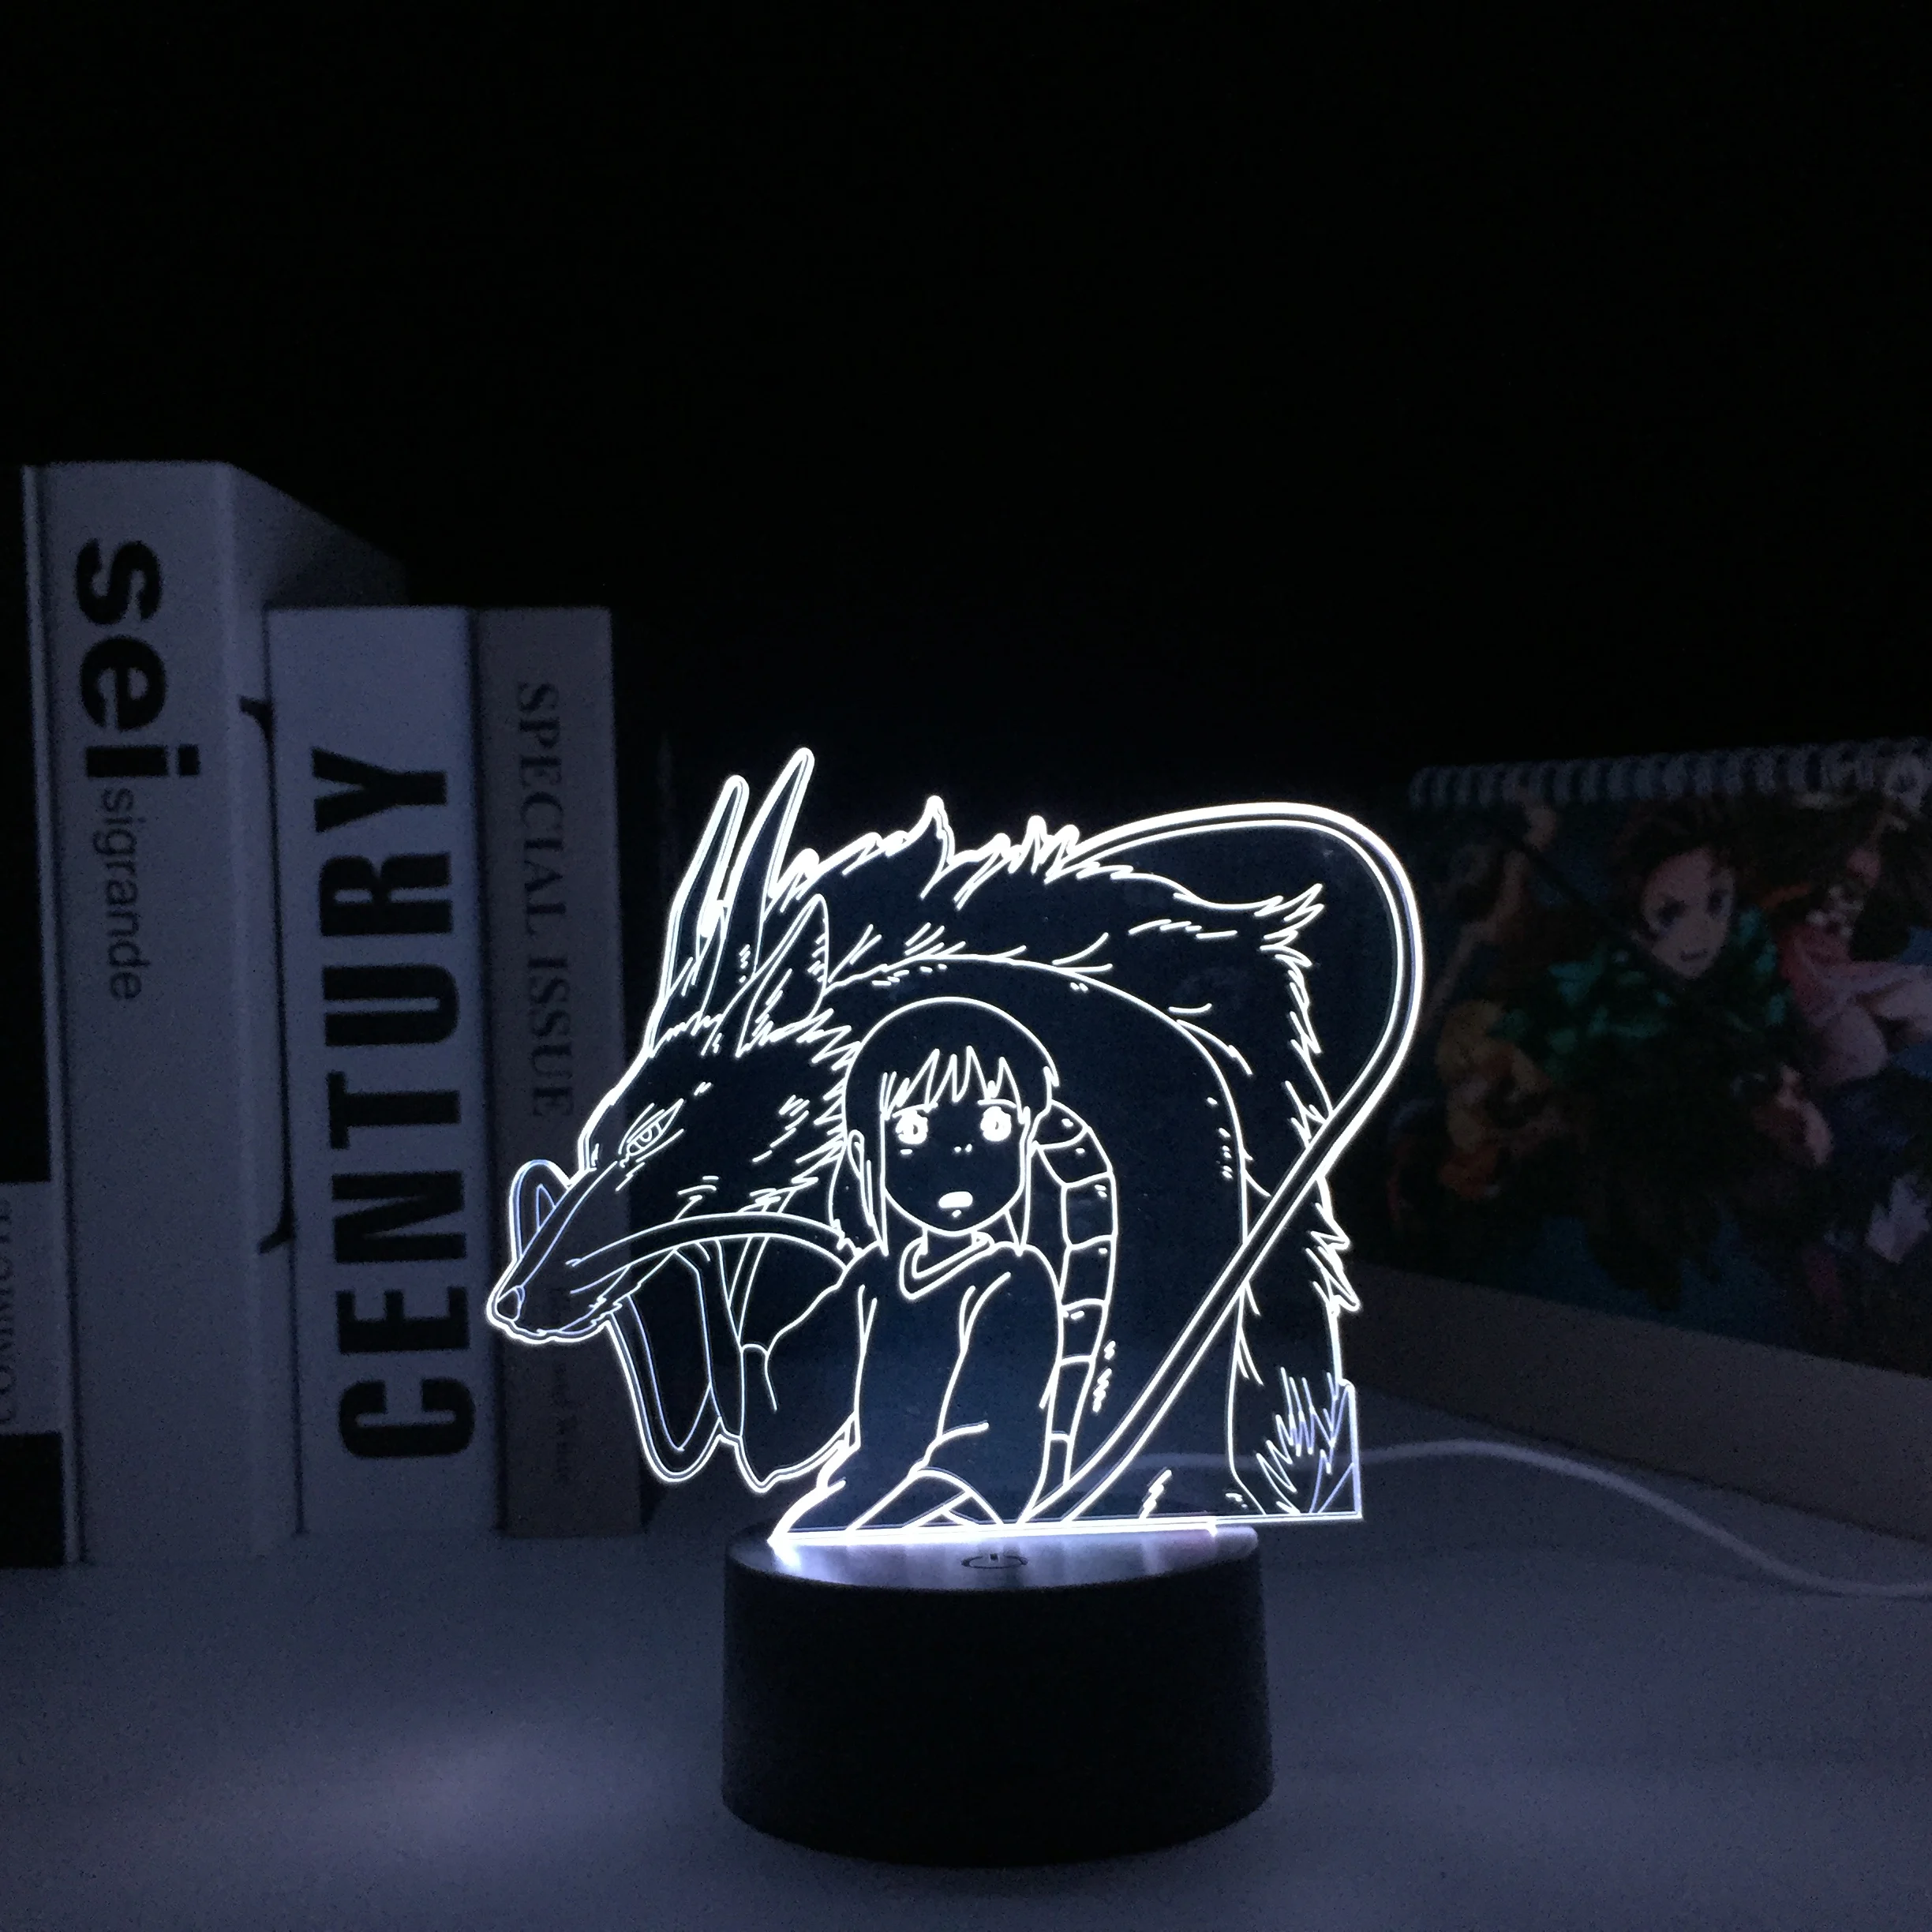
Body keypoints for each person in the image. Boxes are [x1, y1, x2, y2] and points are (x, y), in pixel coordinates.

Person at [732, 998, 1066, 1532]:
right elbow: (782, 1432)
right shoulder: (873, 1280)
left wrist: (861, 1533)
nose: (959, 1154)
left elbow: (985, 1454)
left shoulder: (1015, 1279)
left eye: (994, 1123)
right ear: (866, 1151)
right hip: (857, 1509)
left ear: (1026, 1139)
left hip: (948, 1523)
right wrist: (723, 1325)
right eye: (913, 1130)